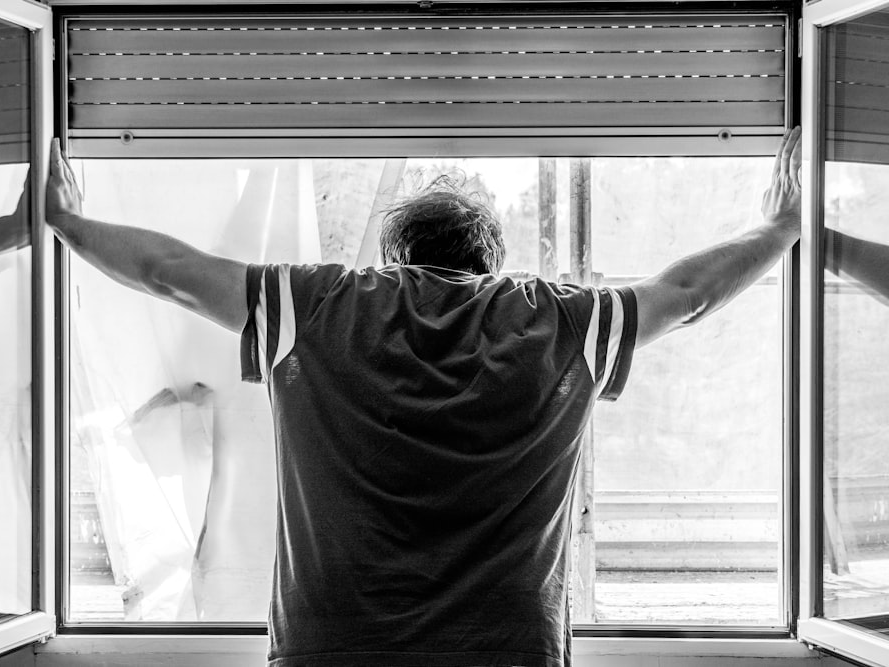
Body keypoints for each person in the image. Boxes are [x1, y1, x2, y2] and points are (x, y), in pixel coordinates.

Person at [46, 127, 802, 667]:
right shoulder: (560, 321)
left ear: (395, 254)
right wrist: (782, 224)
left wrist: (69, 223)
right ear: (488, 260)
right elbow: (690, 294)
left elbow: (169, 270)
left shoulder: (316, 307)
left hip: (331, 648)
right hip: (508, 651)